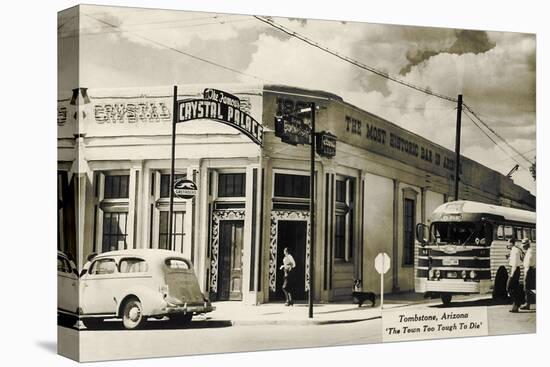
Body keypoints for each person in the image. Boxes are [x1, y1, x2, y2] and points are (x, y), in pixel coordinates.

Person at [507, 239, 524, 313]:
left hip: (514, 270)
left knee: (509, 287)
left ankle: (516, 303)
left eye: (508, 242)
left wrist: (511, 274)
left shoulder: (514, 251)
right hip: (516, 270)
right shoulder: (516, 249)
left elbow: (514, 263)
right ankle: (516, 305)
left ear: (512, 243)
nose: (507, 244)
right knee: (515, 288)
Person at [520, 238, 536, 310]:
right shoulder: (529, 252)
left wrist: (526, 274)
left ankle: (527, 304)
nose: (523, 247)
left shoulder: (530, 252)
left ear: (527, 245)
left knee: (528, 288)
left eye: (524, 245)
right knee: (528, 288)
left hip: (529, 271)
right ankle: (527, 303)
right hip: (529, 270)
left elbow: (529, 264)